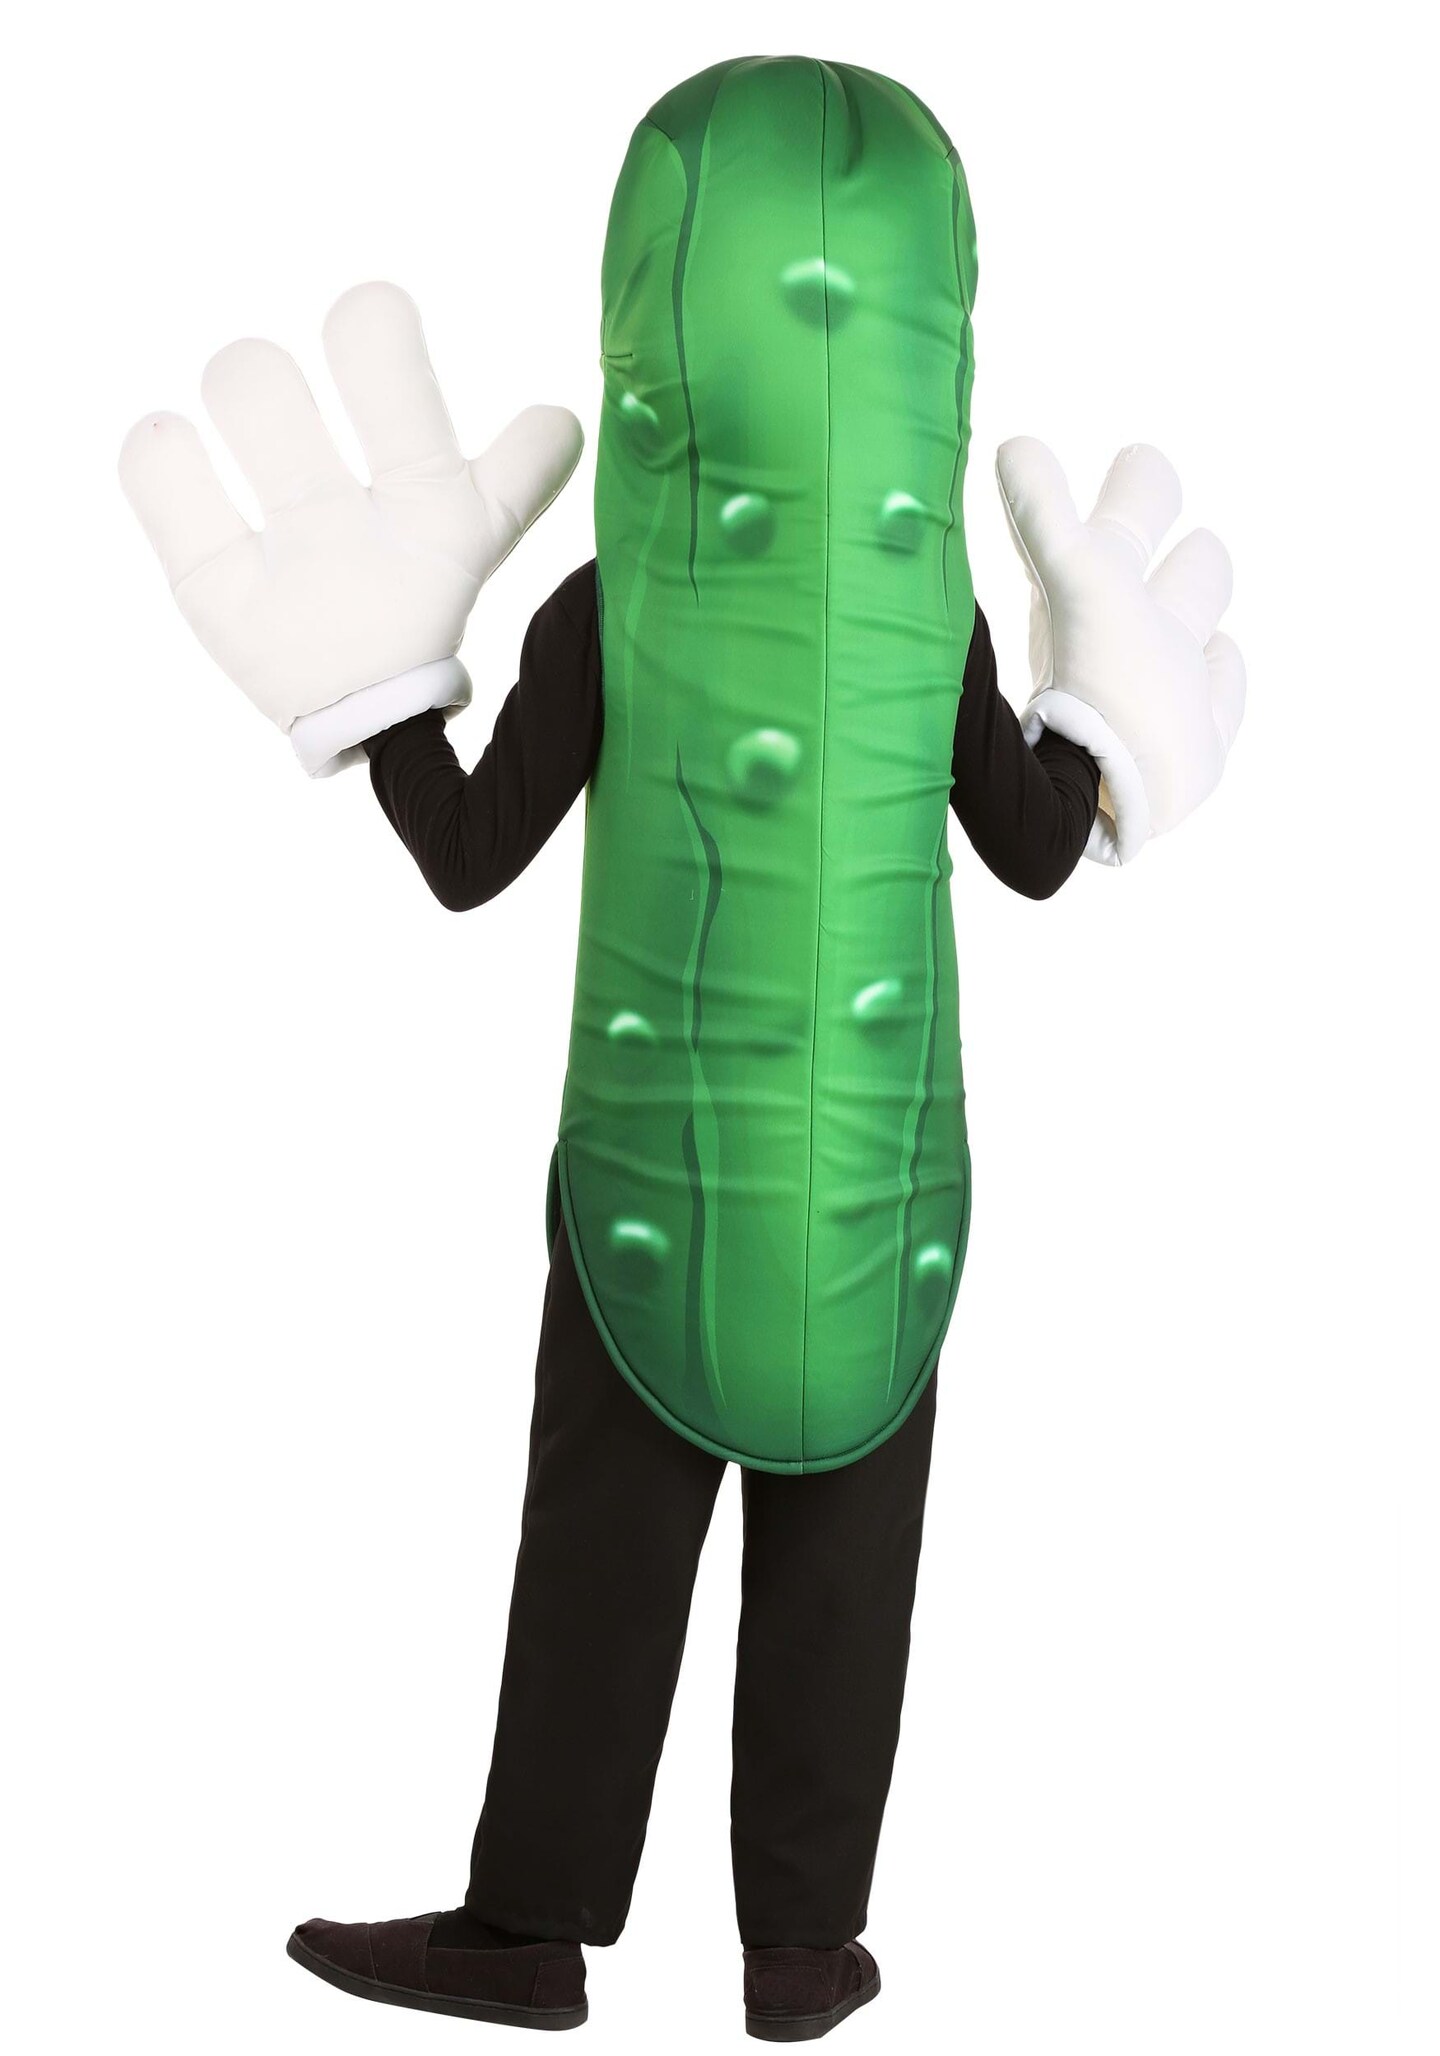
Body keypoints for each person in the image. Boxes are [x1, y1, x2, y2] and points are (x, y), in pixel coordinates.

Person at [119, 55, 1243, 2043]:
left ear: (653, 335)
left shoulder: (619, 597)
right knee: (848, 1556)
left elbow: (472, 857)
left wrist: (383, 700)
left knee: (602, 1548)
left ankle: (529, 1924)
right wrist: (1104, 731)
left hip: (651, 1164)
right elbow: (1030, 852)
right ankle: (802, 1950)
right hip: (887, 1172)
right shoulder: (934, 615)